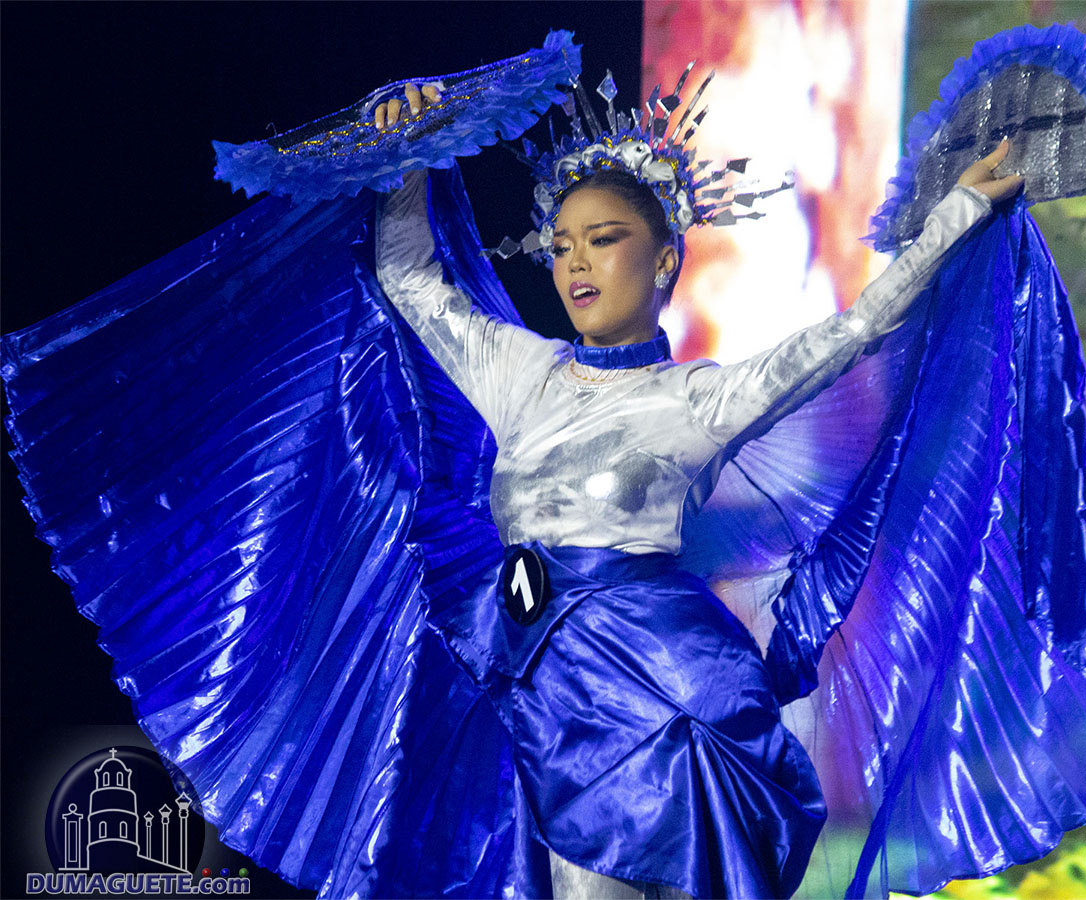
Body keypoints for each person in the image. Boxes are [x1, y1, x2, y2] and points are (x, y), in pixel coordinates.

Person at [364, 81, 1021, 900]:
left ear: (665, 256)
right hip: (530, 678)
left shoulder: (696, 400)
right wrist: (407, 153)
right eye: (561, 245)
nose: (576, 263)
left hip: (662, 693)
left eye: (603, 240)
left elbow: (851, 334)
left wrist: (954, 217)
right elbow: (411, 282)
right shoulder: (520, 372)